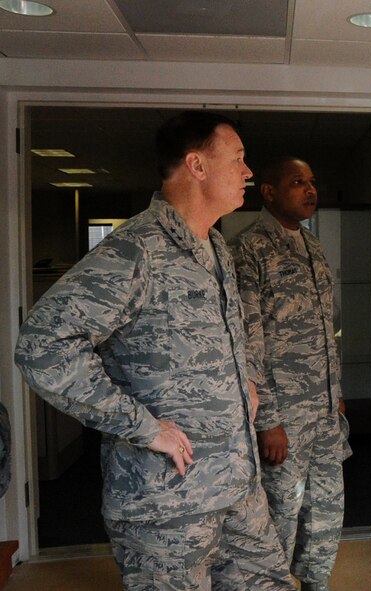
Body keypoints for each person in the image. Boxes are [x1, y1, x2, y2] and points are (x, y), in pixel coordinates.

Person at [14, 111, 296, 590]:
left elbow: (228, 334)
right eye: (238, 159)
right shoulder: (135, 250)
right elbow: (43, 347)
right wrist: (143, 426)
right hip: (167, 505)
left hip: (236, 488)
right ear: (197, 165)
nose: (248, 172)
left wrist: (244, 379)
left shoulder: (216, 247)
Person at [231, 157, 351, 591]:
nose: (310, 190)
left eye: (313, 182)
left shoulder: (312, 245)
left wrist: (336, 391)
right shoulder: (249, 249)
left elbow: (327, 327)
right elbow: (248, 341)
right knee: (280, 513)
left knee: (326, 509)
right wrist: (268, 420)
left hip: (323, 411)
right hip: (285, 416)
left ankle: (316, 584)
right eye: (298, 182)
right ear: (269, 192)